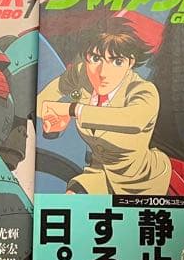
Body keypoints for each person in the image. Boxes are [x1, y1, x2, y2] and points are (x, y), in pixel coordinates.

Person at [37, 17, 171, 195]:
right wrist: (53, 121)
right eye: (95, 58)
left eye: (117, 62)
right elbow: (41, 101)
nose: (103, 73)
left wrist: (73, 109)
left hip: (140, 182)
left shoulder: (144, 91)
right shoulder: (81, 74)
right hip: (98, 173)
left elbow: (132, 120)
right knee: (70, 201)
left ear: (130, 62)